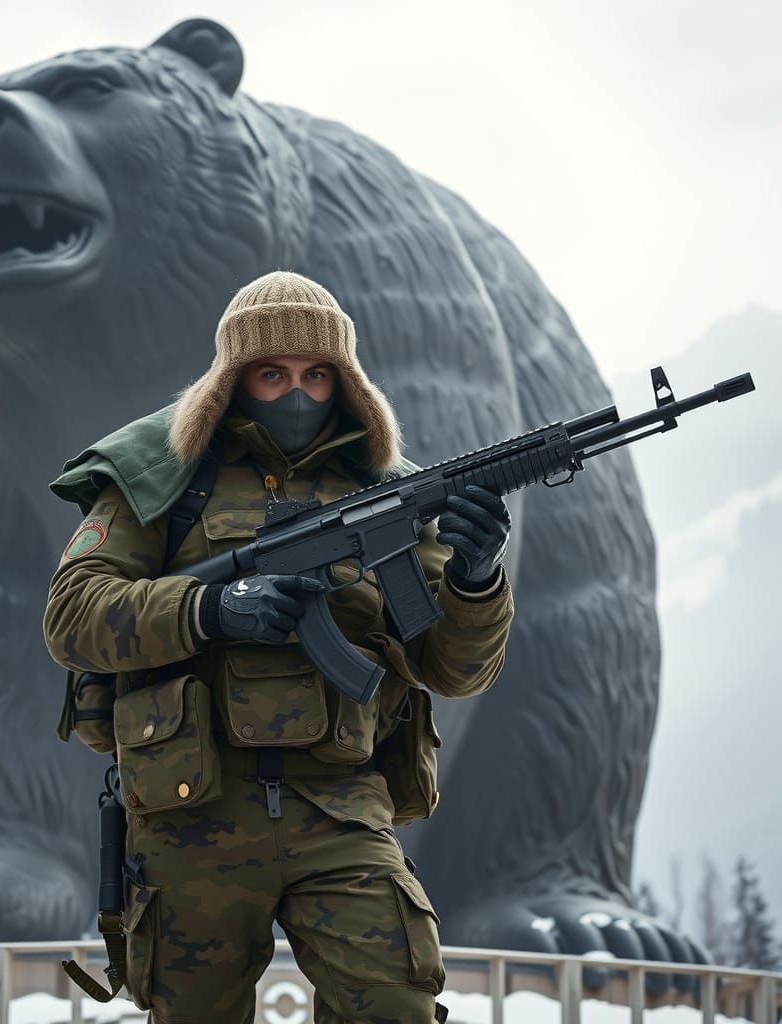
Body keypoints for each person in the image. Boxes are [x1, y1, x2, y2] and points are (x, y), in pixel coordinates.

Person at [43, 270, 515, 1023]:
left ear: (344, 381)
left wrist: (476, 576)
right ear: (234, 379)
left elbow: (455, 670)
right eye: (272, 373)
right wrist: (211, 608)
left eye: (315, 374)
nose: (296, 392)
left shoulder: (386, 490)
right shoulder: (162, 476)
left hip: (344, 809)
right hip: (191, 812)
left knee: (398, 1009)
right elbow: (73, 614)